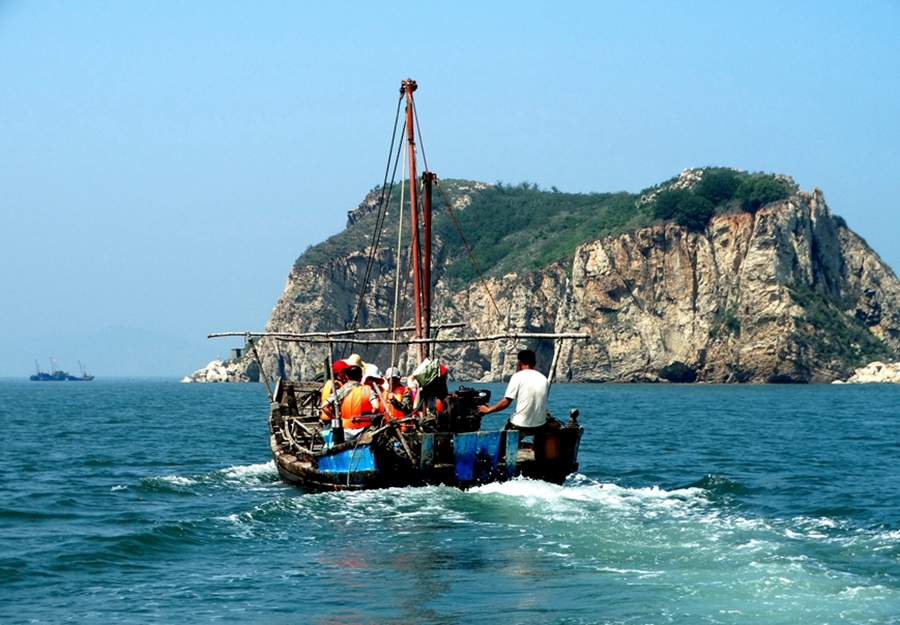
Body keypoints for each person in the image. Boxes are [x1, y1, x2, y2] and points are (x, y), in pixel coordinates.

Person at [478, 349, 549, 434]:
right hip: (540, 425)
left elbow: (506, 402)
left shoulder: (517, 377)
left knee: (500, 437)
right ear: (534, 362)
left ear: (519, 362)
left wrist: (488, 410)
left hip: (520, 425)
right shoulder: (544, 379)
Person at [322, 361, 381, 441]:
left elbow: (324, 406)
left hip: (346, 430)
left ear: (347, 377)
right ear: (361, 378)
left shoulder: (341, 391)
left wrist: (335, 417)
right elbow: (376, 407)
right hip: (364, 430)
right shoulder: (368, 390)